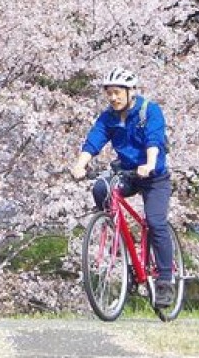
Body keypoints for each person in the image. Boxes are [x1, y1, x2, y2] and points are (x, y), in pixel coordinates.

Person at [70, 67, 177, 285]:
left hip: (153, 176)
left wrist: (149, 163)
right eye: (109, 93)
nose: (113, 97)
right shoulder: (109, 117)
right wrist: (80, 165)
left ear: (130, 92)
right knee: (101, 188)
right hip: (127, 173)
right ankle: (117, 237)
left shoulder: (149, 111)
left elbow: (153, 140)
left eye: (117, 92)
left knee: (156, 223)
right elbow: (94, 139)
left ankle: (165, 279)